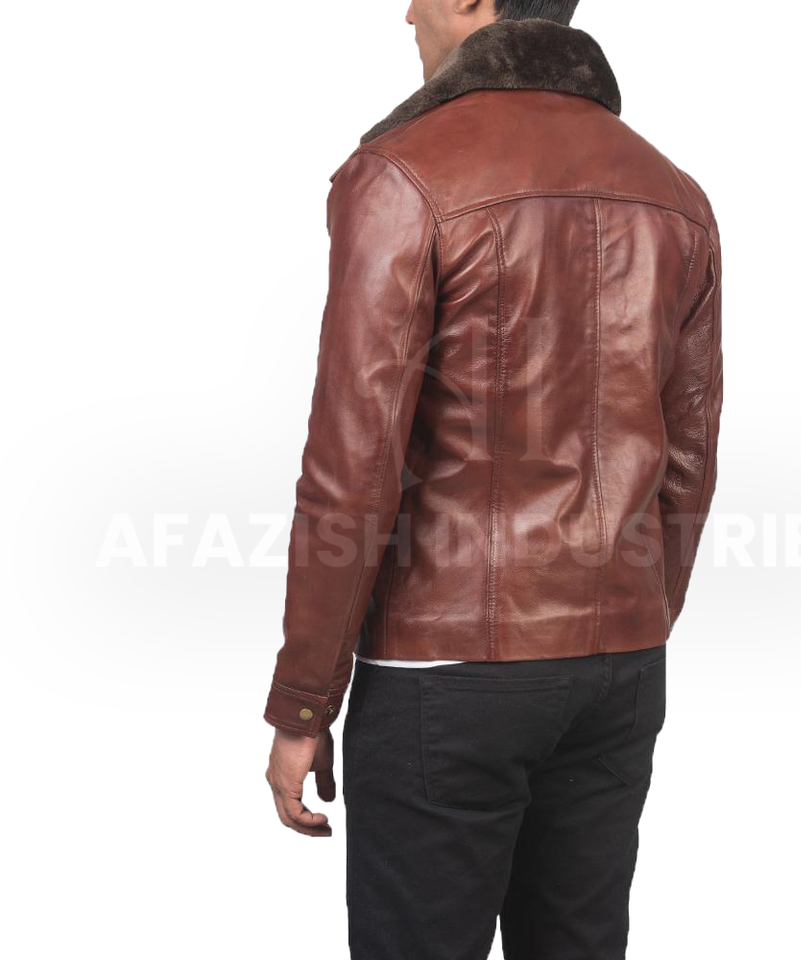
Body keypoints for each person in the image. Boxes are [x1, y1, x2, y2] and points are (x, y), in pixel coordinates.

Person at [263, 1, 722, 956]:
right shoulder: (673, 194)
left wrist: (304, 700)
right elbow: (689, 454)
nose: (406, 11)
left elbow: (353, 465)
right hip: (619, 671)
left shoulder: (404, 174)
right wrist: (631, 623)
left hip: (445, 675)